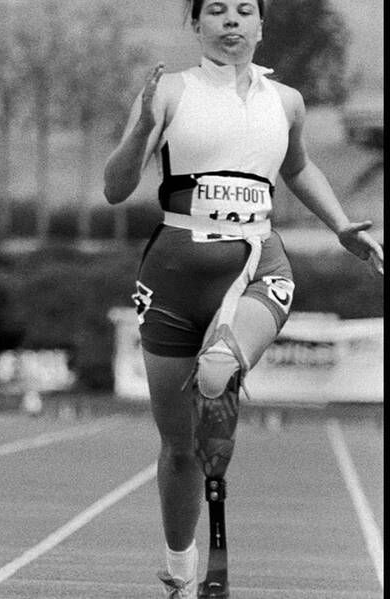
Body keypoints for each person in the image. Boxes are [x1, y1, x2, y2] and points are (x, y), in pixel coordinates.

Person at [102, 1, 384, 596]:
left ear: (260, 26)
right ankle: (182, 573)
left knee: (218, 367)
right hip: (175, 275)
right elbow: (115, 187)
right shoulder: (170, 93)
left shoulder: (286, 102)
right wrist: (139, 129)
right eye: (218, 11)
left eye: (244, 10)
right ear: (197, 25)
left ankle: (223, 378)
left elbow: (299, 168)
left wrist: (340, 226)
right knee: (178, 448)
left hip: (259, 263)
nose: (232, 21)